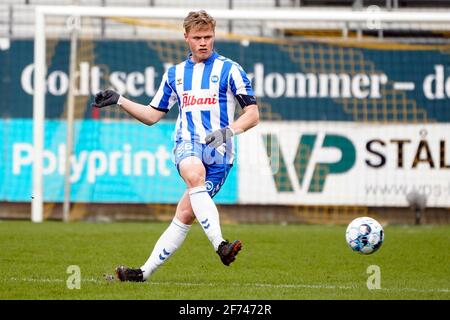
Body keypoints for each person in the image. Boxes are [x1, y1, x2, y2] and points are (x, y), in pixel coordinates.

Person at [92, 10, 259, 282]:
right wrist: (119, 100)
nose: (204, 42)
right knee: (194, 173)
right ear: (186, 38)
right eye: (197, 37)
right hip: (188, 143)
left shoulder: (231, 70)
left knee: (184, 214)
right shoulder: (175, 74)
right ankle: (220, 244)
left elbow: (253, 114)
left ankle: (142, 274)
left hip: (220, 155)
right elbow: (151, 115)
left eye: (208, 36)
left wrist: (227, 133)